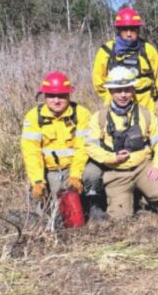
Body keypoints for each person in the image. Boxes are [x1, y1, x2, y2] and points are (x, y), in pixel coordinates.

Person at [85, 67, 158, 219]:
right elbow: (90, 146)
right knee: (120, 217)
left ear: (133, 90)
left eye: (127, 89)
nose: (123, 95)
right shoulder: (99, 117)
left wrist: (157, 165)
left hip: (142, 167)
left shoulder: (146, 114)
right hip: (116, 172)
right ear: (110, 92)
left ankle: (143, 195)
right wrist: (112, 158)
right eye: (118, 90)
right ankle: (124, 199)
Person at [21, 72, 102, 214]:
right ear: (45, 96)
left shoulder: (81, 114)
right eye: (51, 96)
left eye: (61, 96)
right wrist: (38, 181)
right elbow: (31, 152)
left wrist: (75, 176)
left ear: (68, 96)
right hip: (50, 172)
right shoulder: (33, 116)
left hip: (76, 167)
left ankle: (92, 202)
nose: (56, 100)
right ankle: (47, 203)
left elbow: (83, 148)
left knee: (93, 173)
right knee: (52, 212)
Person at [92, 7, 158, 113]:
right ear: (118, 30)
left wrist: (151, 96)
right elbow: (98, 80)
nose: (129, 33)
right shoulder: (106, 51)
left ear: (138, 29)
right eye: (125, 29)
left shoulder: (148, 50)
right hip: (114, 105)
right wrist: (112, 96)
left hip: (145, 105)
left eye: (133, 29)